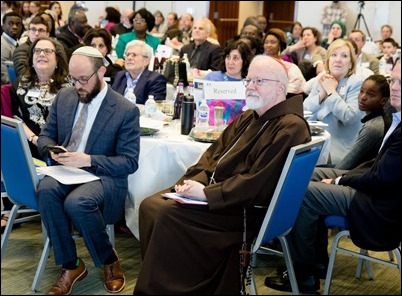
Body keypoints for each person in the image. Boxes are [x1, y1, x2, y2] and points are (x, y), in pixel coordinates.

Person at [133, 55, 312, 294]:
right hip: (222, 195)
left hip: (244, 209)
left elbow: (259, 183)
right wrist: (194, 182)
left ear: (280, 87)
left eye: (259, 81)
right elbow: (213, 154)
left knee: (167, 214)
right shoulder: (251, 115)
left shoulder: (291, 126)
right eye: (249, 80)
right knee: (149, 206)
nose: (250, 86)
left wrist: (207, 194)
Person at [265, 60, 401, 294]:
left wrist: (340, 180)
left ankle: (303, 274)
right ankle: (317, 261)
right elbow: (378, 165)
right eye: (394, 80)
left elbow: (381, 179)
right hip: (373, 186)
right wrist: (344, 176)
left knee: (305, 193)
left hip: (379, 204)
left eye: (401, 82)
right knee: (310, 173)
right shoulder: (395, 116)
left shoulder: (387, 122)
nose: (395, 87)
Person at [35, 46, 140, 295]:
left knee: (77, 202)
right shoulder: (65, 96)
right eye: (73, 78)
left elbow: (129, 162)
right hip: (66, 171)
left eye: (83, 79)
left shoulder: (125, 110)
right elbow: (45, 135)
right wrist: (51, 149)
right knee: (45, 191)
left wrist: (89, 160)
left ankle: (109, 260)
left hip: (103, 177)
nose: (78, 85)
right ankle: (71, 265)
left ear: (101, 71)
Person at [304, 39, 365, 164]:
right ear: (328, 60)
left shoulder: (356, 83)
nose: (338, 59)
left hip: (337, 147)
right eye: (334, 55)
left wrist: (331, 91)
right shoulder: (322, 79)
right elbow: (305, 110)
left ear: (350, 64)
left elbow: (349, 116)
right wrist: (322, 94)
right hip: (314, 140)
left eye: (344, 56)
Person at [335, 75, 392, 169]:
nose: (363, 97)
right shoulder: (376, 120)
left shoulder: (373, 127)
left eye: (371, 94)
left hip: (357, 176)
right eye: (361, 91)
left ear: (383, 101)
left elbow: (346, 164)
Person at [112, 40, 167, 104]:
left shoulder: (156, 80)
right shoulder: (119, 76)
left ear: (146, 61)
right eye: (127, 55)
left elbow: (153, 108)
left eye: (134, 55)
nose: (129, 58)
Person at [263, 28, 306, 97]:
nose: (268, 45)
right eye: (266, 42)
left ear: (280, 45)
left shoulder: (290, 67)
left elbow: (295, 87)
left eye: (273, 42)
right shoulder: (259, 65)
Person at [1, 11, 23, 84]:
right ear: (3, 26)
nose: (15, 27)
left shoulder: (18, 43)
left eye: (18, 24)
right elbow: (4, 76)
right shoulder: (2, 45)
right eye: (10, 23)